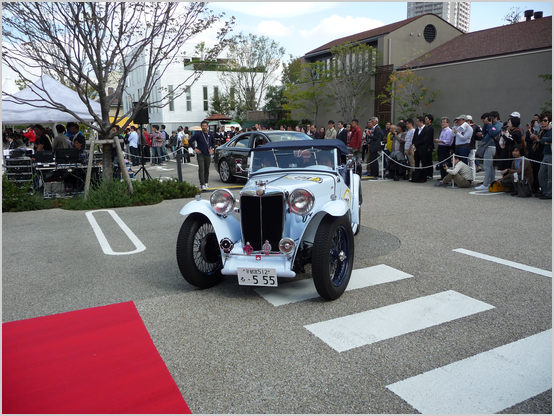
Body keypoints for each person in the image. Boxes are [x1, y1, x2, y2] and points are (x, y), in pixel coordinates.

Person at [475, 111, 502, 191]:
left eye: (491, 118)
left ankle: (485, 184)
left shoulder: (498, 124)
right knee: (490, 166)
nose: (490, 119)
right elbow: (484, 132)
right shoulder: (491, 124)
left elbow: (492, 132)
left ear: (496, 117)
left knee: (487, 166)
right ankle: (491, 182)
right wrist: (485, 124)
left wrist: (489, 124)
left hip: (491, 146)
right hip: (488, 146)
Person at [188, 120, 215, 190]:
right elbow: (190, 141)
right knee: (201, 169)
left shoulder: (210, 135)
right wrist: (194, 148)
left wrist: (212, 149)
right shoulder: (198, 134)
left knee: (207, 169)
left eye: (205, 126)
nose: (204, 127)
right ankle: (202, 184)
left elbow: (214, 142)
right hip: (200, 154)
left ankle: (206, 182)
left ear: (207, 127)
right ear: (201, 127)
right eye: (203, 126)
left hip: (208, 154)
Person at [533, 111, 552, 199]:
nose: (543, 122)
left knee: (550, 176)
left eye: (545, 120)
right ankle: (545, 191)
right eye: (541, 120)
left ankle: (550, 193)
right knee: (541, 174)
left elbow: (548, 140)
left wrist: (541, 139)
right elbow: (545, 140)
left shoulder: (551, 130)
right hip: (545, 154)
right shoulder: (544, 131)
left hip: (551, 154)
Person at [525, 115, 543, 194]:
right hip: (534, 150)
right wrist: (530, 130)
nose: (542, 123)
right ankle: (534, 187)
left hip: (542, 151)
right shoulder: (538, 128)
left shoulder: (548, 129)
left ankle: (541, 188)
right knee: (535, 169)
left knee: (541, 171)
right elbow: (532, 136)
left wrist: (537, 139)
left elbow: (542, 140)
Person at [411, 116, 433, 182]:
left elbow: (424, 140)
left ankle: (423, 177)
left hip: (423, 149)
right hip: (416, 149)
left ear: (421, 122)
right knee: (416, 163)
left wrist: (415, 144)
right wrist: (413, 145)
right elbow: (414, 138)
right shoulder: (417, 130)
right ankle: (416, 177)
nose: (417, 123)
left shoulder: (427, 130)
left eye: (418, 121)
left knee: (424, 163)